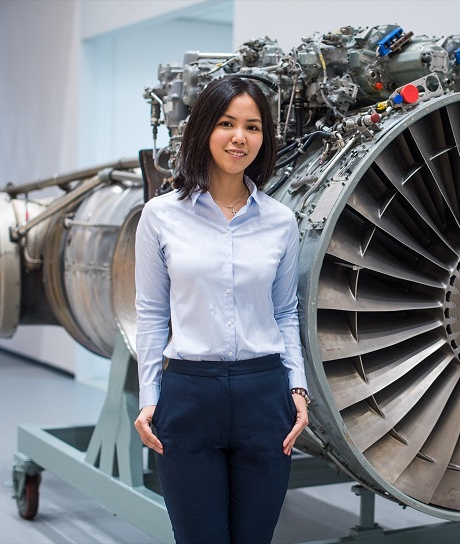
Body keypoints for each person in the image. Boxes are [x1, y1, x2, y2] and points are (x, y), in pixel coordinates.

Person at [133, 76, 310, 544]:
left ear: (264, 138)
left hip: (263, 395)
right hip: (188, 395)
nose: (239, 137)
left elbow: (286, 312)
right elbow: (151, 313)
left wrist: (297, 388)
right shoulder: (160, 216)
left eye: (253, 127)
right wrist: (150, 396)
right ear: (204, 130)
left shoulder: (281, 221)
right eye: (227, 123)